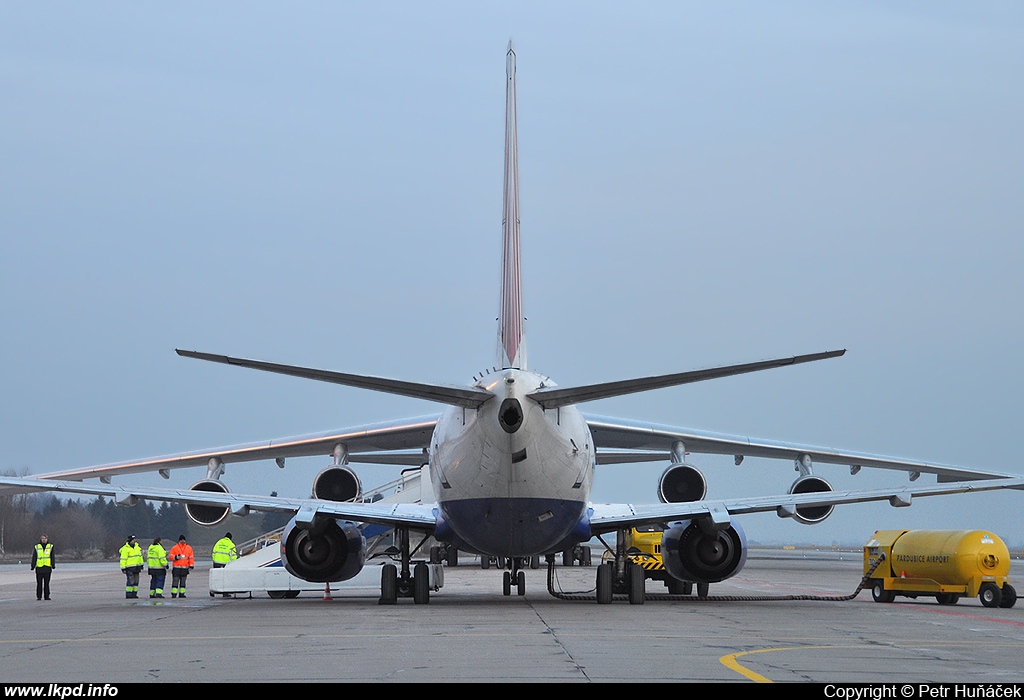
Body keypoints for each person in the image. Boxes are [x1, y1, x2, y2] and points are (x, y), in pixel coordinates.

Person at [211, 532, 238, 598]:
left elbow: (213, 552)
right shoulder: (231, 544)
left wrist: (215, 560)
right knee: (224, 579)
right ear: (230, 538)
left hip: (216, 562)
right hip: (225, 564)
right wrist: (233, 563)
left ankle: (212, 591)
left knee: (215, 577)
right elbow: (233, 556)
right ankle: (225, 593)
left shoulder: (219, 542)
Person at [168, 534, 195, 598]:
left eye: (183, 540)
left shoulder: (189, 548)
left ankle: (182, 593)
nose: (183, 541)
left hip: (185, 568)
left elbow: (191, 557)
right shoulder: (175, 547)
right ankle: (174, 594)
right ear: (179, 541)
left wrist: (191, 565)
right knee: (175, 581)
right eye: (181, 540)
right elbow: (170, 556)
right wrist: (176, 557)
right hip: (177, 568)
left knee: (183, 582)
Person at [119, 535, 144, 599]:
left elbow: (140, 557)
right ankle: (129, 594)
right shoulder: (125, 549)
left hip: (137, 567)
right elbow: (123, 559)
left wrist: (141, 565)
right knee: (130, 581)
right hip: (129, 568)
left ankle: (134, 594)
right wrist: (123, 568)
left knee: (136, 581)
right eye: (133, 540)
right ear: (130, 541)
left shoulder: (137, 547)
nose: (134, 541)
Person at [31, 534, 54, 601]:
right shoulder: (37, 547)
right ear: (40, 539)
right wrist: (33, 565)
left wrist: (53, 564)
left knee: (47, 583)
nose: (44, 539)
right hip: (39, 568)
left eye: (45, 538)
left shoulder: (50, 547)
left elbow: (52, 556)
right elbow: (34, 557)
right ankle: (39, 596)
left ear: (47, 539)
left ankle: (47, 596)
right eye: (42, 538)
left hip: (47, 567)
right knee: (39, 583)